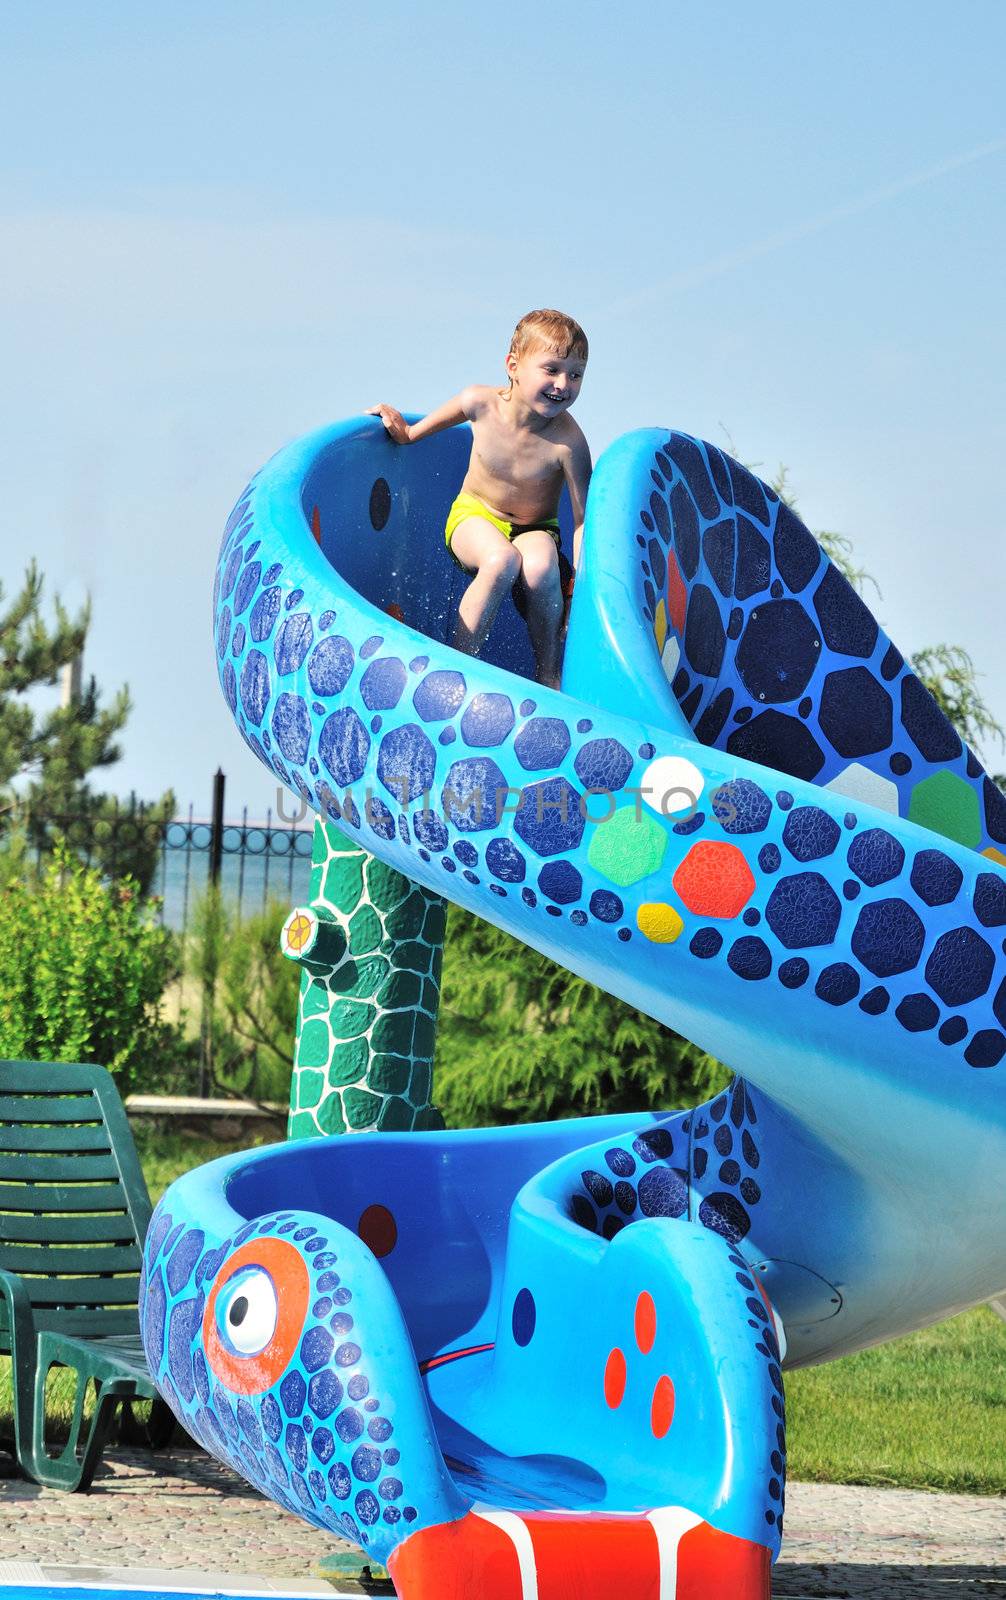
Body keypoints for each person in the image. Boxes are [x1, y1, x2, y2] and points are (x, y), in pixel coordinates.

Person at [367, 308, 591, 689]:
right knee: (501, 559)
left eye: (575, 374)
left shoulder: (569, 442)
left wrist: (581, 585)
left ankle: (549, 673)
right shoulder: (478, 403)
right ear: (514, 365)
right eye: (551, 369)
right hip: (475, 516)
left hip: (536, 527)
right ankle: (456, 667)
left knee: (539, 567)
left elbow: (584, 519)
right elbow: (412, 434)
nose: (562, 383)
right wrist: (397, 427)